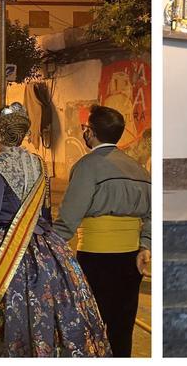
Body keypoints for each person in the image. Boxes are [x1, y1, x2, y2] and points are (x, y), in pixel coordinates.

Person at [0, 103, 111, 357]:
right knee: (47, 310)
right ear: (23, 133)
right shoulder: (39, 164)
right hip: (45, 250)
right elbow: (45, 214)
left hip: (5, 251)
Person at [53, 104, 151, 358]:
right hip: (131, 258)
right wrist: (145, 245)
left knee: (89, 325)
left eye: (85, 128)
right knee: (122, 327)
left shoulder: (87, 166)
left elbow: (69, 216)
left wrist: (50, 246)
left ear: (91, 133)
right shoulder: (139, 169)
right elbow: (151, 213)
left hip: (96, 257)